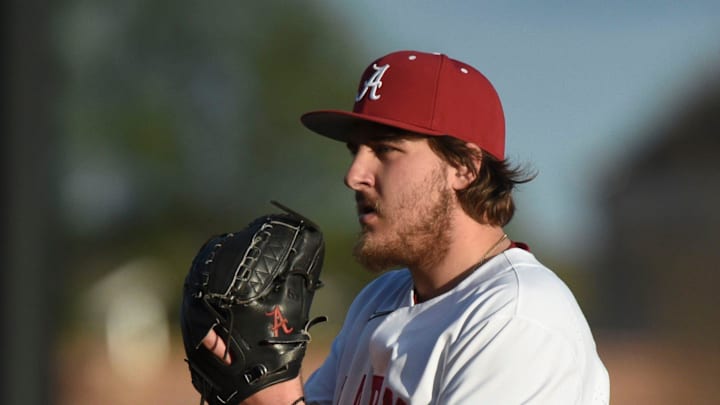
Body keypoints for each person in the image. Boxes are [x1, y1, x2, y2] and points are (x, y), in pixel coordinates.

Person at [203, 50, 610, 404]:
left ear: (464, 168)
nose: (355, 174)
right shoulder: (380, 298)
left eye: (385, 149)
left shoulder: (516, 319)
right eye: (355, 151)